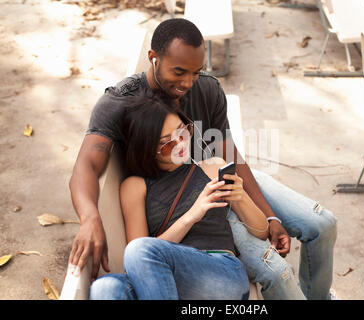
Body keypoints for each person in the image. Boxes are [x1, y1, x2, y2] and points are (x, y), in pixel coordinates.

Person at [69, 18, 337, 300]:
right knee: (271, 269)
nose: (187, 82)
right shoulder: (120, 102)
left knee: (321, 224)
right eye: (179, 71)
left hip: (217, 176)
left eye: (196, 72)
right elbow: (87, 163)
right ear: (153, 58)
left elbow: (229, 153)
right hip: (187, 203)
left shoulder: (206, 89)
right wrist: (89, 217)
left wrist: (267, 212)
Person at [90, 93, 270, 299]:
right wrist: (192, 215)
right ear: (147, 149)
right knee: (105, 289)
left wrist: (241, 198)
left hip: (221, 273)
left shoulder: (213, 168)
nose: (181, 144)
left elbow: (261, 232)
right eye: (168, 144)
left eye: (182, 132)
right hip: (161, 280)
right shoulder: (135, 187)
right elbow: (136, 259)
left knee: (140, 250)